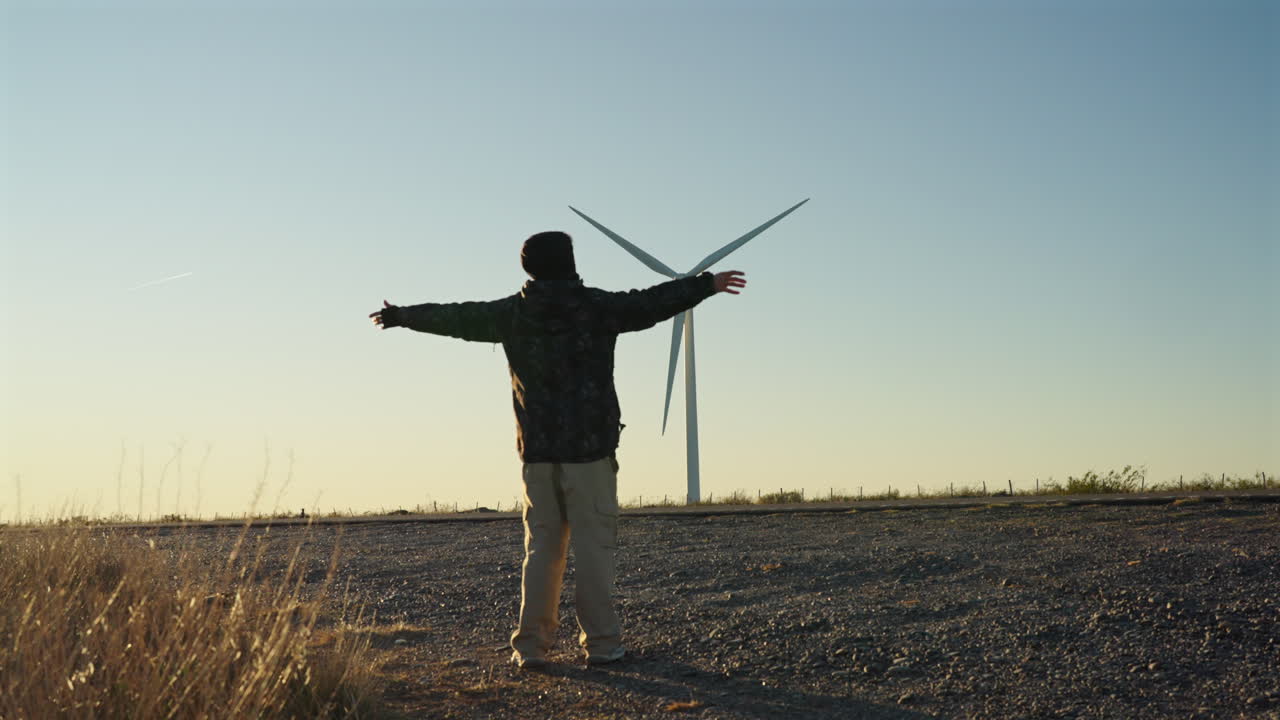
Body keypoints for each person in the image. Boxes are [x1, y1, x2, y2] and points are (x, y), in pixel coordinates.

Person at [369, 230, 746, 669]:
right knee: (592, 551)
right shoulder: (596, 308)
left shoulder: (510, 314)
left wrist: (403, 316)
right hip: (589, 453)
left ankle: (531, 649)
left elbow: (454, 316)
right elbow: (651, 302)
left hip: (537, 453)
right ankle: (602, 645)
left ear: (527, 267)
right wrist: (705, 284)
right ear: (570, 262)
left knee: (541, 552)